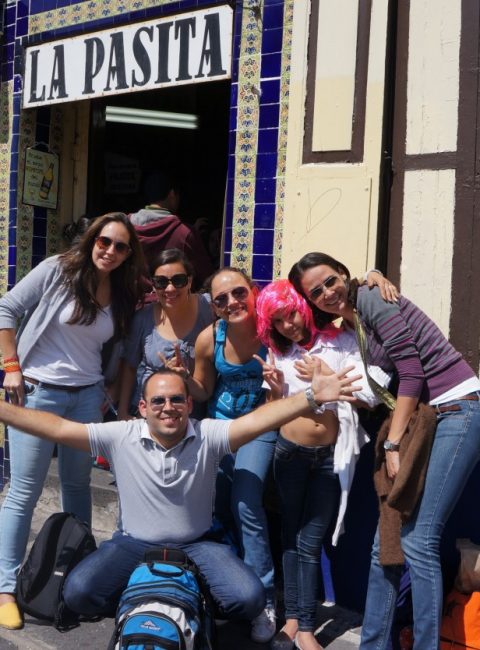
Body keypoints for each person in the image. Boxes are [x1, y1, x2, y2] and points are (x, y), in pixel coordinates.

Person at [0, 366, 361, 625]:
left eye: (176, 399)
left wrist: (310, 396)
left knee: (249, 598)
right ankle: (141, 597)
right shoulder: (120, 435)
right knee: (78, 593)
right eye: (158, 401)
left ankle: (189, 598)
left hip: (197, 544)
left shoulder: (208, 434)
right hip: (132, 543)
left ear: (189, 404)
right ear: (143, 408)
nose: (168, 407)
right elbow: (59, 427)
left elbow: (257, 421)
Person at [288, 252, 480, 650]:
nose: (327, 293)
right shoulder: (353, 322)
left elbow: (412, 372)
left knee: (419, 540)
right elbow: (376, 392)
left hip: (457, 410)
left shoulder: (371, 298)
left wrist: (392, 442)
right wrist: (326, 381)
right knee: (385, 545)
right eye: (316, 291)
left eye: (330, 281)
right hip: (426, 421)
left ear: (343, 273)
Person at [0, 212, 145, 630]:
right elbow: (7, 308)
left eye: (120, 246)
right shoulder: (57, 270)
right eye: (104, 241)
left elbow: (116, 344)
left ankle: (78, 579)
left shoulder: (121, 289)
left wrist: (106, 389)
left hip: (86, 398)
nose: (110, 251)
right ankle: (6, 588)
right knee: (24, 490)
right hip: (37, 392)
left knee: (77, 485)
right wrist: (11, 366)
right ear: (91, 239)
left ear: (128, 253)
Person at [255, 279, 389, 650]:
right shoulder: (278, 351)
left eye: (291, 314)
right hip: (289, 453)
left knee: (310, 541)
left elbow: (366, 393)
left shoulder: (340, 341)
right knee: (290, 536)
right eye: (278, 320)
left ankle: (305, 626)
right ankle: (294, 620)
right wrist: (276, 390)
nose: (288, 325)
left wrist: (325, 375)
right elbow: (271, 411)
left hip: (329, 457)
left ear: (304, 307)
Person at [181, 267, 278, 643]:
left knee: (246, 503)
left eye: (239, 293)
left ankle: (264, 599)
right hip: (221, 430)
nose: (232, 302)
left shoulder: (272, 329)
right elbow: (204, 390)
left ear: (254, 291)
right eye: (221, 299)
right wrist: (184, 377)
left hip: (261, 426)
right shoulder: (210, 338)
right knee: (214, 507)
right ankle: (224, 588)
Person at [117, 248, 214, 421]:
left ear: (190, 281)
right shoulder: (142, 318)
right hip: (151, 412)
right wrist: (122, 411)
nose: (170, 288)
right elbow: (130, 367)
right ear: (153, 286)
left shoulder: (209, 308)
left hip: (193, 414)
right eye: (161, 282)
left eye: (178, 280)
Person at [130, 171, 214, 291]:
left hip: (134, 299)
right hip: (172, 299)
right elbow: (207, 277)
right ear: (172, 194)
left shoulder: (126, 227)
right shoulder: (184, 233)